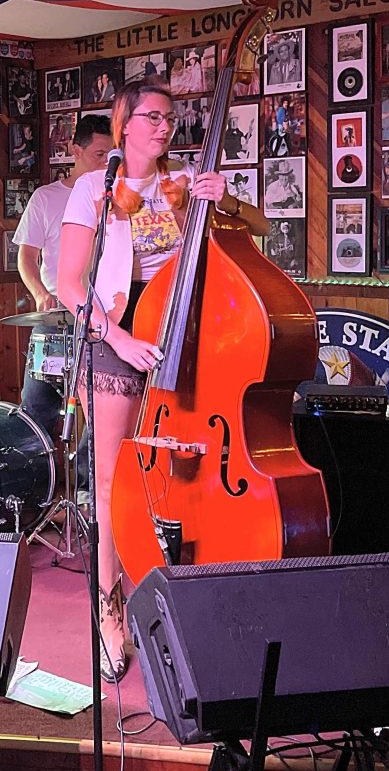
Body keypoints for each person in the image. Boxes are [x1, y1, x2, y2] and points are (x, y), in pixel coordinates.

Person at [57, 81, 268, 682]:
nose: (164, 127)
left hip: (188, 337)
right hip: (120, 336)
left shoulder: (188, 185)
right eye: (152, 117)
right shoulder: (91, 189)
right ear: (123, 123)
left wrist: (225, 200)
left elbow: (260, 228)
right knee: (112, 483)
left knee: (189, 481)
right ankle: (110, 609)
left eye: (171, 118)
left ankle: (198, 598)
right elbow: (71, 283)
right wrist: (116, 338)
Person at [14, 114, 113, 494]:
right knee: (36, 408)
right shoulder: (47, 198)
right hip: (55, 319)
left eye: (111, 155)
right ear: (75, 150)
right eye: (99, 154)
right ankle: (32, 494)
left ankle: (87, 496)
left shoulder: (116, 197)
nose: (106, 163)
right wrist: (40, 290)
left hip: (105, 320)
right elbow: (26, 257)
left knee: (99, 414)